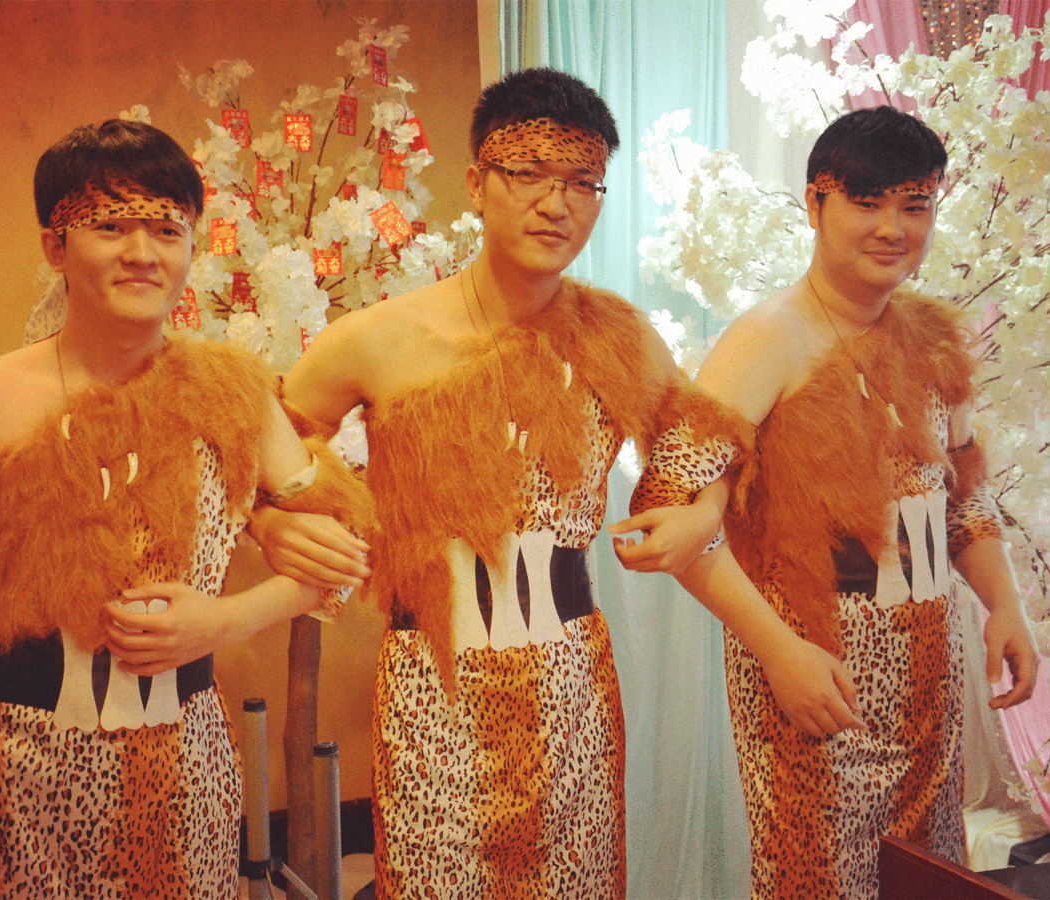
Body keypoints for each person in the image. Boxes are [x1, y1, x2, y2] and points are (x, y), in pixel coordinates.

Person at [251, 68, 748, 898]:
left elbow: (706, 446)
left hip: (571, 683)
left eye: (582, 183)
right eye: (529, 175)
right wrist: (274, 527)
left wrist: (703, 515)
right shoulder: (376, 339)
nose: (557, 204)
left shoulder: (617, 338)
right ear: (477, 183)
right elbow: (259, 463)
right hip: (431, 683)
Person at [0, 119, 371, 899]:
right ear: (55, 245)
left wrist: (227, 618)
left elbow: (342, 551)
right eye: (110, 227)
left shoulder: (233, 393)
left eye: (167, 229)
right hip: (19, 781)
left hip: (187, 775)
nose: (143, 252)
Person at [618, 105, 1039, 899]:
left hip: (930, 672)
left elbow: (960, 498)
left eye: (914, 205)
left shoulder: (932, 337)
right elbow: (668, 512)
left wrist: (1005, 603)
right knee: (820, 881)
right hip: (818, 669)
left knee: (926, 878)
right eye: (867, 202)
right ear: (816, 202)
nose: (892, 228)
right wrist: (779, 651)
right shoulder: (766, 338)